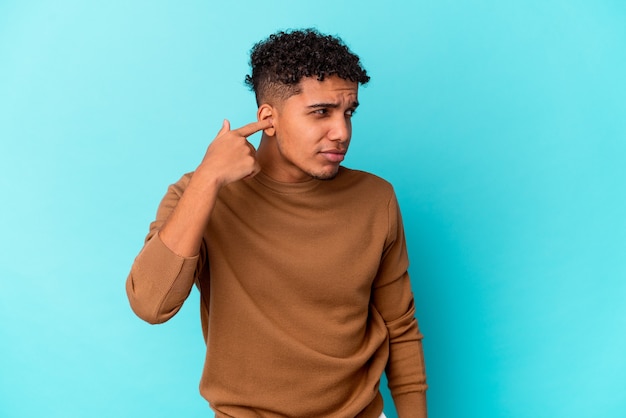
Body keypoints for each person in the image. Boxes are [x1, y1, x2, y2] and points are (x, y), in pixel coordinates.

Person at [126, 28, 427, 418]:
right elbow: (151, 304)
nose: (342, 133)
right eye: (321, 112)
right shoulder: (198, 195)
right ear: (269, 118)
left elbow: (399, 327)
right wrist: (207, 179)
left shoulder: (376, 198)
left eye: (348, 112)